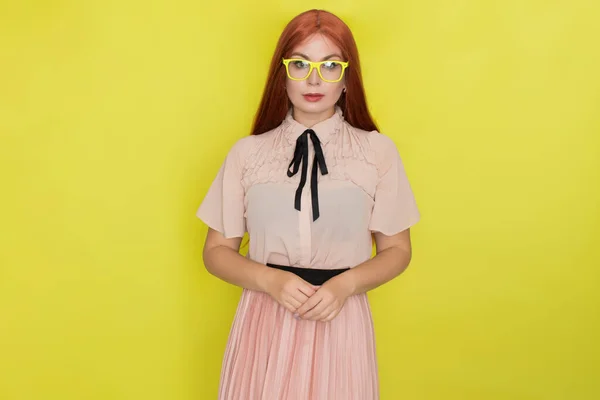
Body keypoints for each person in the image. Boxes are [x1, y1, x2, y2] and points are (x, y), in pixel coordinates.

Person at [196, 9, 421, 400]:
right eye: (299, 64)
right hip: (264, 322)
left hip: (340, 319)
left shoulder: (377, 152)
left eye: (330, 65)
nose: (314, 79)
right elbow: (216, 251)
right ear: (281, 76)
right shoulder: (248, 154)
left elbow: (398, 250)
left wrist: (345, 286)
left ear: (347, 78)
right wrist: (271, 280)